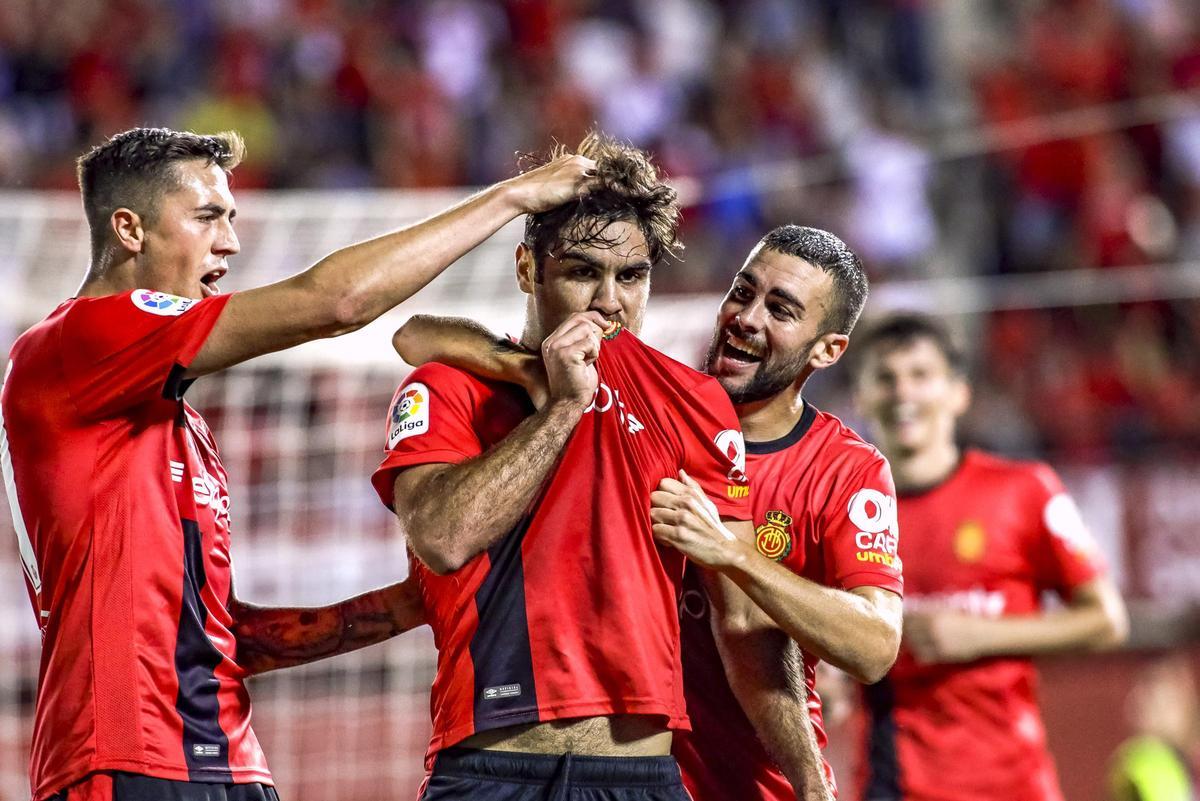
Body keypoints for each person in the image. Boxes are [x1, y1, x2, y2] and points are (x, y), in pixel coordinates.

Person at [0, 126, 596, 801]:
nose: (229, 241)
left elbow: (226, 637)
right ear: (129, 229)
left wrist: (400, 607)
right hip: (124, 757)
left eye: (230, 218)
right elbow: (335, 303)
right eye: (206, 217)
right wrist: (512, 198)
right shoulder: (79, 336)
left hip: (225, 759)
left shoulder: (182, 426)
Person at [398, 225, 906, 800]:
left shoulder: (845, 471)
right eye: (743, 292)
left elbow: (867, 646)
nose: (747, 318)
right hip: (634, 769)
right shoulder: (650, 395)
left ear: (828, 349)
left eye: (781, 310)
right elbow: (416, 334)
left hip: (751, 782)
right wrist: (524, 367)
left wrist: (735, 555)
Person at [371, 133, 768, 800]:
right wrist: (560, 407)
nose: (609, 301)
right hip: (494, 772)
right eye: (583, 272)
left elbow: (742, 616)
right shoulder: (450, 387)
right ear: (529, 271)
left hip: (641, 773)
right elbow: (441, 537)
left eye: (632, 276)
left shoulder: (695, 402)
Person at [848, 313, 1129, 801]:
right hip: (895, 785)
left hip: (1014, 783)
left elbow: (1106, 621)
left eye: (920, 375)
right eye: (885, 378)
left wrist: (978, 635)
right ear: (862, 396)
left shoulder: (1024, 491)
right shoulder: (843, 513)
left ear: (959, 393)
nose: (903, 393)